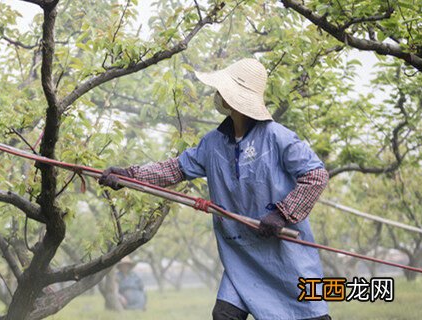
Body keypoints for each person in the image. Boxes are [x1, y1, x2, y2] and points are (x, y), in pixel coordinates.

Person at [99, 59, 331, 320]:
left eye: (223, 88)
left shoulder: (278, 137)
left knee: (307, 315)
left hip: (284, 255)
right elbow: (175, 169)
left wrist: (282, 214)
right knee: (224, 315)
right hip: (241, 256)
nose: (217, 94)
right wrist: (129, 176)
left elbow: (316, 175)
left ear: (234, 98)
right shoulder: (212, 144)